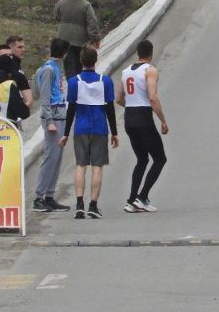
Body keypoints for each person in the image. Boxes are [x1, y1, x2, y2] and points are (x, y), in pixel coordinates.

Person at [57, 45, 119, 219]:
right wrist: (114, 132)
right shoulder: (105, 81)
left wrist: (66, 133)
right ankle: (93, 205)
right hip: (99, 128)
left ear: (81, 61)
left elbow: (71, 110)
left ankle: (78, 204)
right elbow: (110, 109)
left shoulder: (74, 82)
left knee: (80, 165)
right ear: (95, 60)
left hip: (81, 128)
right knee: (97, 167)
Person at [119, 39, 169, 212]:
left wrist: (132, 107)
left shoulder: (125, 72)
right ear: (151, 53)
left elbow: (119, 99)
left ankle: (131, 200)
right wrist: (162, 120)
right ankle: (142, 196)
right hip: (143, 117)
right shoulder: (150, 70)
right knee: (160, 158)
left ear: (137, 53)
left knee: (142, 159)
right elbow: (153, 97)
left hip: (129, 118)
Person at [33, 39, 72, 212]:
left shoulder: (56, 67)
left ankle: (49, 195)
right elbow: (45, 97)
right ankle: (39, 197)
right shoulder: (49, 69)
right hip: (53, 118)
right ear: (64, 52)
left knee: (57, 158)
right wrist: (49, 121)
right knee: (50, 158)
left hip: (60, 115)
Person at [53, 0, 102, 77]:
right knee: (80, 65)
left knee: (69, 67)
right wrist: (95, 38)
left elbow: (56, 17)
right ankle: (80, 85)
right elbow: (92, 23)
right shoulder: (86, 5)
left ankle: (71, 86)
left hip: (64, 40)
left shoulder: (61, 2)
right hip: (81, 42)